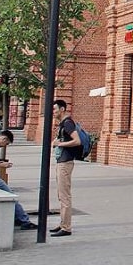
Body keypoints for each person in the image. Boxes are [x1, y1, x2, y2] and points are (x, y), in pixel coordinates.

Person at [51, 99, 82, 237]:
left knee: (64, 195)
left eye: (55, 109)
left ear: (62, 109)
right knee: (61, 194)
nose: (53, 112)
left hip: (65, 162)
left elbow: (77, 141)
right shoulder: (63, 124)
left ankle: (66, 227)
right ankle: (63, 222)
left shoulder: (68, 123)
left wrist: (60, 144)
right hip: (62, 161)